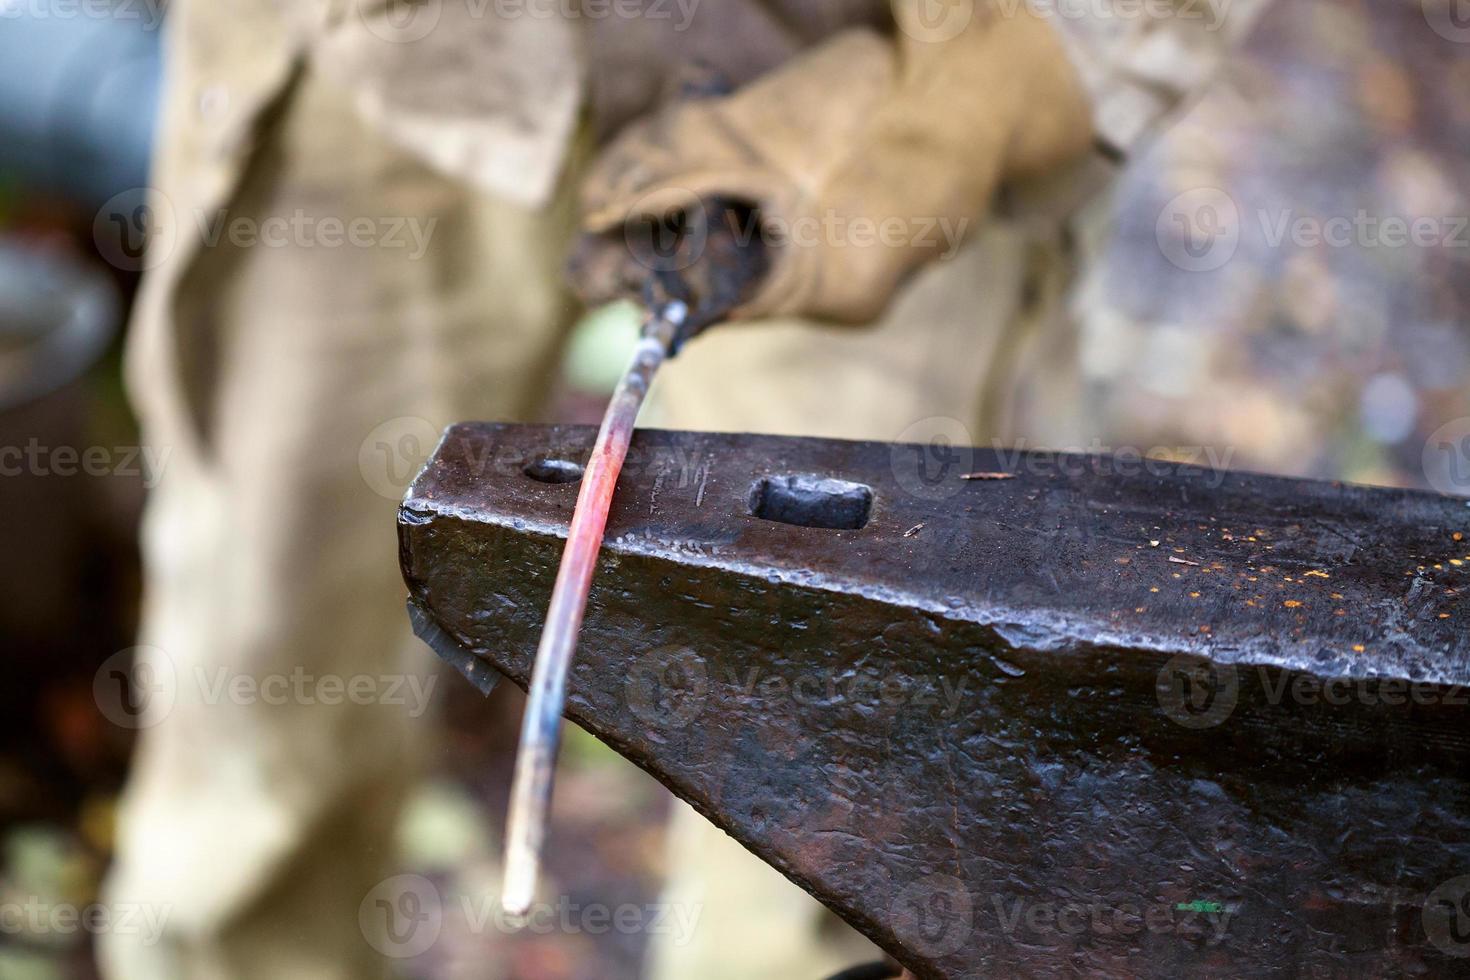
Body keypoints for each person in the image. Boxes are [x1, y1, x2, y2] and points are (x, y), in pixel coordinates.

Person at [100, 1, 1268, 977]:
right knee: (259, 704)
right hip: (385, 54)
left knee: (843, 819)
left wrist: (981, 94)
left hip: (875, 69)